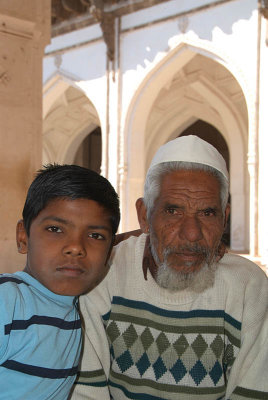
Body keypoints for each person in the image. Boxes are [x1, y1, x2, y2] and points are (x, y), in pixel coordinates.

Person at [72, 135, 268, 400]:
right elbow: (86, 392)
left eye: (207, 213)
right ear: (144, 216)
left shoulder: (248, 286)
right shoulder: (106, 273)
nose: (191, 234)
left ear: (225, 218)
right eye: (173, 211)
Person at [0, 164, 120, 400]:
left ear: (109, 252)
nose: (76, 247)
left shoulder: (73, 309)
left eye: (96, 236)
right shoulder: (8, 302)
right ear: (23, 237)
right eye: (55, 229)